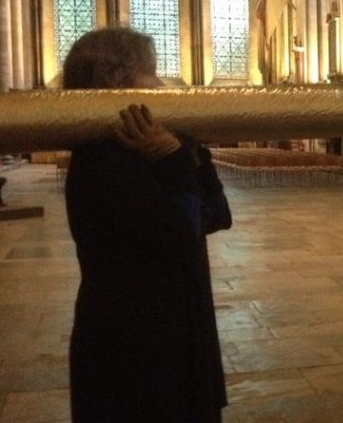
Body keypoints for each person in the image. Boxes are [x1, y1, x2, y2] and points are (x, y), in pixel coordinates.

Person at [62, 27, 231, 423]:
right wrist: (176, 164)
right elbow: (179, 235)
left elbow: (219, 216)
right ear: (116, 85)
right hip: (135, 352)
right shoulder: (103, 163)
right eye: (151, 72)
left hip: (178, 336)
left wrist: (191, 153)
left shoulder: (149, 154)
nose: (161, 84)